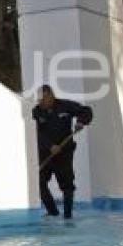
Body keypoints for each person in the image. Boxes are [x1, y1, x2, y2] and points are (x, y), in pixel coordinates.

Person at [32, 84, 93, 219]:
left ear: (51, 97)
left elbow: (86, 111)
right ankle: (53, 212)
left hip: (64, 153)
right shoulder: (36, 112)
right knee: (39, 183)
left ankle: (67, 216)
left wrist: (81, 122)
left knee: (67, 185)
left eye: (43, 100)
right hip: (45, 154)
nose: (41, 103)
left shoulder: (65, 106)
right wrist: (50, 146)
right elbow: (36, 132)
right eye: (39, 100)